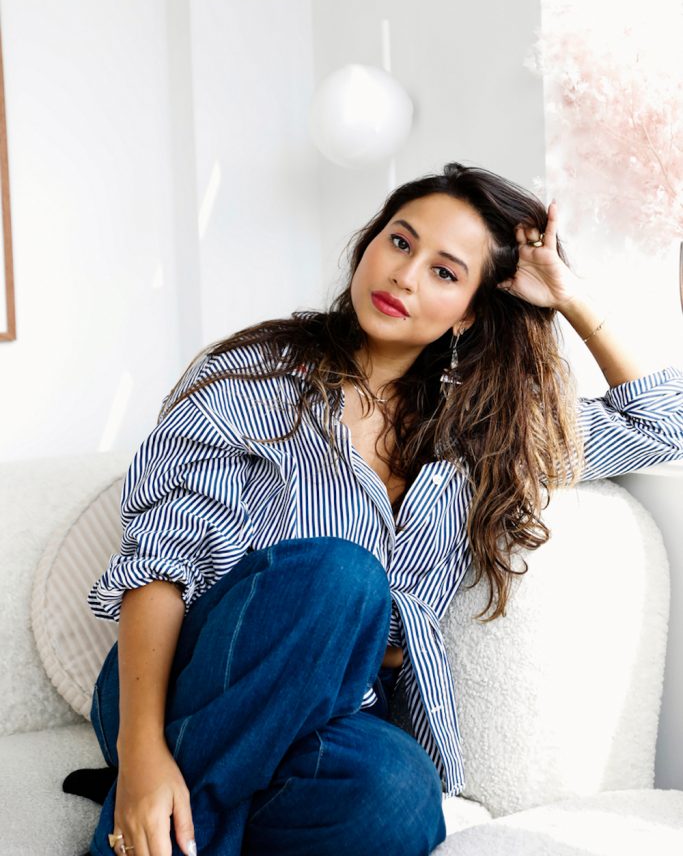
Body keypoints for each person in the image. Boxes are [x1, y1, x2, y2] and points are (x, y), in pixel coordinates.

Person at [81, 162, 683, 856]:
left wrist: (568, 297)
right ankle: (142, 815)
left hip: (329, 717)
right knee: (340, 576)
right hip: (184, 684)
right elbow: (161, 563)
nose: (403, 275)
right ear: (369, 243)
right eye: (399, 242)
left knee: (398, 791)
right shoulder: (255, 378)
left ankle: (201, 808)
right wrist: (143, 751)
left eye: (444, 271)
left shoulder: (488, 433)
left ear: (472, 312)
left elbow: (664, 424)